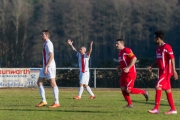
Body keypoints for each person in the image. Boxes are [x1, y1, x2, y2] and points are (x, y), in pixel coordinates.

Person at [148, 30, 178, 114]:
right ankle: (173, 109)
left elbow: (172, 58)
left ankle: (156, 108)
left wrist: (174, 70)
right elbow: (158, 60)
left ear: (158, 38)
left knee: (158, 86)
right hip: (161, 72)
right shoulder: (158, 49)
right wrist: (152, 66)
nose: (153, 39)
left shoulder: (167, 47)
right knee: (168, 90)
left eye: (154, 38)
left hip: (166, 72)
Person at [116, 39, 148, 108]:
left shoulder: (127, 50)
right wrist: (120, 66)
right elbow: (124, 62)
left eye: (117, 44)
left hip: (130, 73)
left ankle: (144, 92)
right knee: (122, 88)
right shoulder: (120, 53)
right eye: (116, 44)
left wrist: (128, 67)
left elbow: (134, 58)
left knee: (128, 90)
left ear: (122, 44)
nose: (116, 45)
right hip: (123, 73)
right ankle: (130, 104)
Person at [36, 30, 60, 108]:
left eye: (42, 34)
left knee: (53, 84)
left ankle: (57, 102)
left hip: (50, 66)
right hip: (45, 66)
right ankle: (44, 101)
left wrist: (47, 66)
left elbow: (51, 56)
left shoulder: (49, 44)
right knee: (39, 82)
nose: (41, 35)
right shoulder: (45, 44)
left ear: (46, 35)